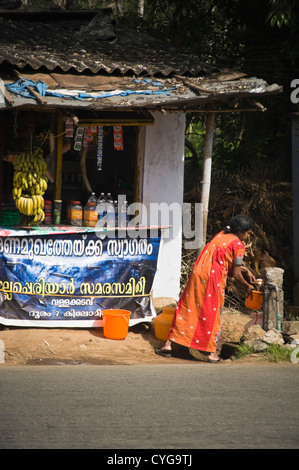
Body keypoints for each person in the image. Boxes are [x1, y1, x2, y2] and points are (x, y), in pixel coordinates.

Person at [155, 214, 256, 363]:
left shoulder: (221, 235)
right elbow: (235, 273)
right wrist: (248, 286)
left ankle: (168, 345)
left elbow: (224, 259)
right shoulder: (238, 245)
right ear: (241, 231)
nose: (247, 236)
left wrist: (245, 270)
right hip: (212, 280)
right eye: (247, 233)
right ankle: (211, 353)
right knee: (211, 312)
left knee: (187, 307)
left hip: (198, 274)